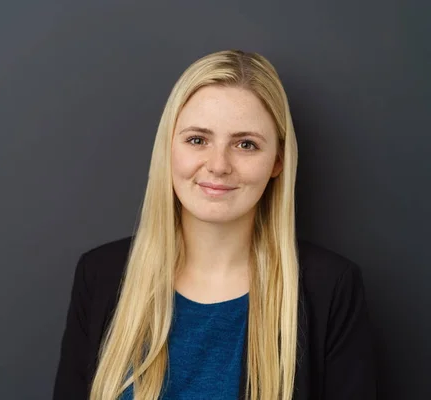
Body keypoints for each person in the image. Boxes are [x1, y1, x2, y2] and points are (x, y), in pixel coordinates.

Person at [53, 50, 377, 400]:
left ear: (277, 161)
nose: (219, 165)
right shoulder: (101, 274)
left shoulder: (330, 288)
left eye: (246, 144)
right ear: (168, 147)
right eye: (197, 140)